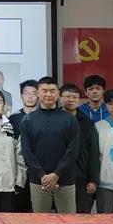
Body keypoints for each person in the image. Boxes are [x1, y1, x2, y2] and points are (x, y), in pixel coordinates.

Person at [20, 76, 79, 213]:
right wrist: (42, 175)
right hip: (39, 180)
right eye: (44, 90)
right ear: (38, 93)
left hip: (65, 179)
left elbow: (73, 150)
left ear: (58, 94)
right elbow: (27, 151)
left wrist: (57, 174)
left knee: (68, 221)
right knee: (41, 221)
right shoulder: (28, 120)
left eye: (52, 91)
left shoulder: (70, 119)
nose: (48, 94)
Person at [60, 83, 100, 214]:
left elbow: (93, 153)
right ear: (60, 98)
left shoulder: (87, 123)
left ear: (79, 100)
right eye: (67, 96)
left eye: (75, 97)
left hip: (81, 179)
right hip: (57, 178)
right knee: (57, 218)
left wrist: (93, 180)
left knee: (81, 217)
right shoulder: (52, 119)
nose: (71, 100)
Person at [9, 79, 39, 213]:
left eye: (34, 93)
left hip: (39, 169)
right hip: (19, 169)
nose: (30, 96)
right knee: (20, 208)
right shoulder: (12, 119)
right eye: (26, 93)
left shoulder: (44, 117)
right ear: (21, 96)